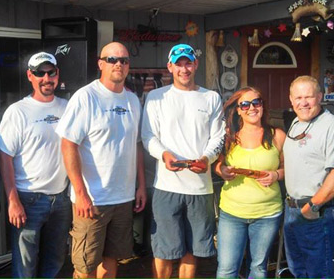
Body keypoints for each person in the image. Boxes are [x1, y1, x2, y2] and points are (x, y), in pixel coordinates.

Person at [55, 42, 146, 278]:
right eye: (112, 59)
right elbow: (68, 145)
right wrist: (81, 193)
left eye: (124, 60)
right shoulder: (86, 97)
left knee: (112, 259)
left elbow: (136, 145)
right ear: (100, 63)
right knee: (85, 266)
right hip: (92, 200)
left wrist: (141, 186)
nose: (118, 64)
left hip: (123, 198)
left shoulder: (133, 100)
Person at [141, 43, 225, 278]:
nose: (184, 69)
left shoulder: (211, 97)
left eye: (188, 63)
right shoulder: (156, 97)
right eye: (179, 64)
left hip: (201, 188)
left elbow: (218, 137)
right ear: (170, 67)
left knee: (192, 250)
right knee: (164, 251)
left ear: (196, 64)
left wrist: (207, 158)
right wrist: (165, 155)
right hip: (167, 187)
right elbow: (148, 136)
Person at [0, 52, 72, 278]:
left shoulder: (69, 107)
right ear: (30, 75)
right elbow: (4, 156)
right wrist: (12, 201)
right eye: (40, 73)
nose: (46, 78)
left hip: (62, 198)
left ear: (57, 75)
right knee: (25, 266)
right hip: (28, 200)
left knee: (56, 260)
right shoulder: (18, 111)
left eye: (51, 72)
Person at [283, 75, 334, 278]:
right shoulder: (297, 122)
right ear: (291, 99)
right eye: (298, 97)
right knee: (298, 269)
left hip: (318, 211)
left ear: (320, 97)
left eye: (309, 97)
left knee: (318, 272)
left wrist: (312, 206)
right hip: (293, 209)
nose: (303, 103)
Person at [214, 87, 285, 278]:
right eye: (244, 104)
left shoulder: (277, 135)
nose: (251, 108)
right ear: (237, 109)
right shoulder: (229, 136)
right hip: (232, 212)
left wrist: (276, 175)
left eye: (256, 102)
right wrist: (222, 170)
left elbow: (289, 168)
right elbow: (218, 164)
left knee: (258, 268)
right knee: (226, 269)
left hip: (267, 213)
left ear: (262, 106)